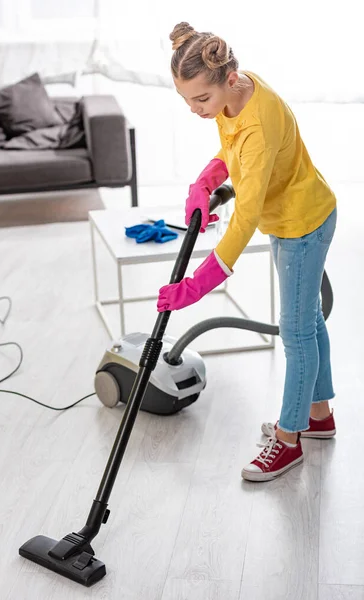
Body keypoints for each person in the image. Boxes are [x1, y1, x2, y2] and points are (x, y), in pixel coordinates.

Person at [157, 22, 337, 482]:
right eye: (188, 101)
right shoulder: (238, 91)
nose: (196, 110)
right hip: (298, 214)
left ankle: (289, 439)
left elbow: (246, 216)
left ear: (227, 78)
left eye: (201, 100)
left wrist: (199, 284)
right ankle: (317, 416)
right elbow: (230, 150)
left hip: (300, 225)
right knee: (309, 321)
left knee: (295, 334)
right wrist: (206, 180)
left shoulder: (256, 121)